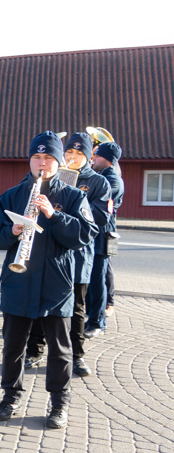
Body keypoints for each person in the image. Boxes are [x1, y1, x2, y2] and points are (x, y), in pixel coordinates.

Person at [0, 131, 97, 429]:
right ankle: (10, 397)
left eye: (48, 158)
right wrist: (12, 232)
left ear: (59, 162)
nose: (41, 163)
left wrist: (54, 215)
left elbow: (85, 235)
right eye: (37, 157)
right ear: (30, 160)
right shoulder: (11, 195)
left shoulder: (73, 196)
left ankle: (59, 403)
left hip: (56, 285)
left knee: (60, 349)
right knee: (13, 346)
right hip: (18, 281)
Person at [25, 133, 110, 377]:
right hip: (47, 251)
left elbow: (100, 218)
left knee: (77, 308)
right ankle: (35, 350)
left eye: (79, 154)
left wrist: (72, 197)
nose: (73, 158)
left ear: (88, 158)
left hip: (78, 254)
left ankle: (77, 355)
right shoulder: (50, 174)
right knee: (40, 303)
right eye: (69, 153)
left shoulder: (98, 182)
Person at [84, 141, 124, 339]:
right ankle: (91, 314)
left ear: (107, 159)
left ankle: (97, 321)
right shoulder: (100, 176)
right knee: (91, 278)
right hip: (94, 233)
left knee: (98, 279)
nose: (93, 159)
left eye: (97, 156)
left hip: (104, 234)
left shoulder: (112, 180)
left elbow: (100, 201)